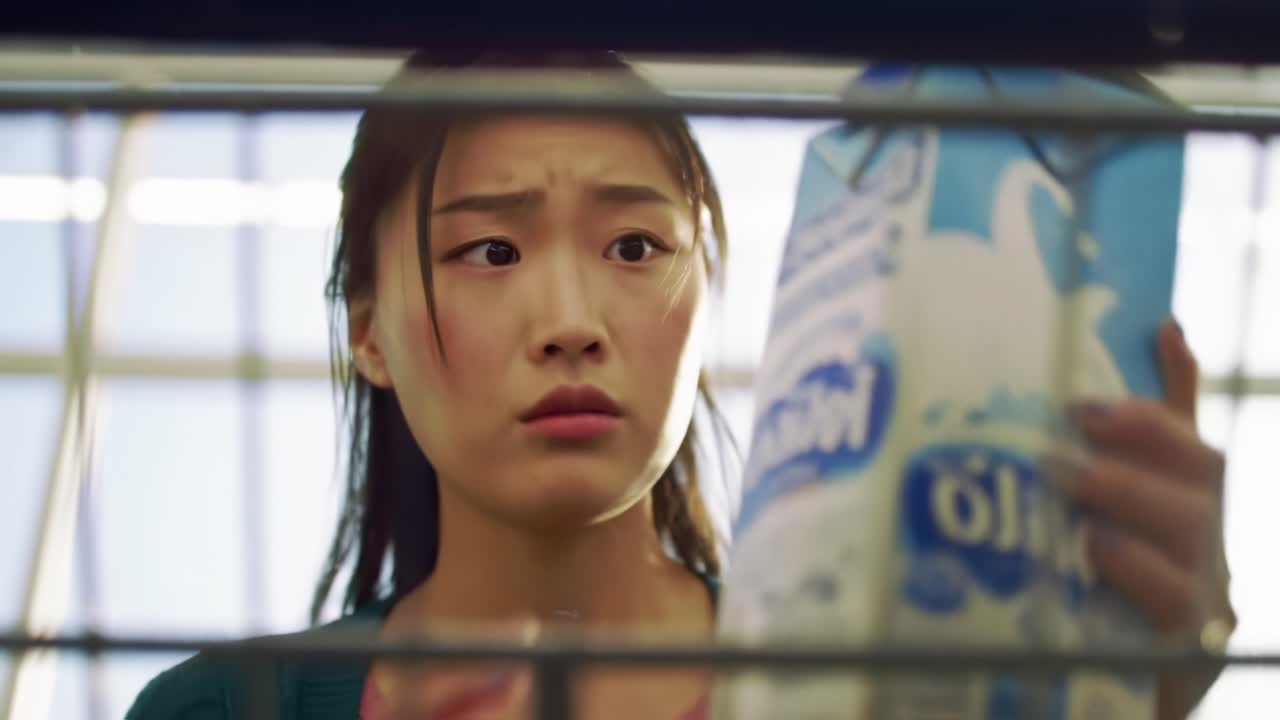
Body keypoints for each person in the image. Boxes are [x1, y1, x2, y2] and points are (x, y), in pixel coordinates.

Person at [125, 51, 1234, 720]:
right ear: (368, 330)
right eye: (491, 253)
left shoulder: (877, 681)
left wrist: (1131, 694)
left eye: (634, 248)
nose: (570, 325)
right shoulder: (216, 711)